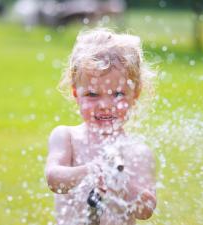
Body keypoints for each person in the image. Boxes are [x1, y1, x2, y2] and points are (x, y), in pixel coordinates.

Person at [45, 28, 156, 225]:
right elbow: (54, 179)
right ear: (76, 94)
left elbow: (146, 210)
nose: (105, 105)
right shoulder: (67, 137)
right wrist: (90, 171)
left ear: (135, 95)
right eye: (92, 95)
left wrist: (120, 183)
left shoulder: (137, 151)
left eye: (118, 94)